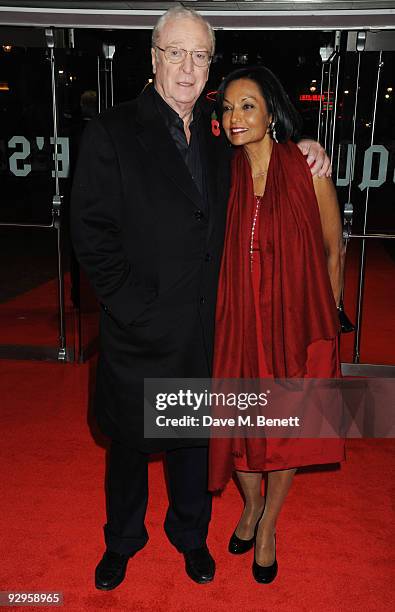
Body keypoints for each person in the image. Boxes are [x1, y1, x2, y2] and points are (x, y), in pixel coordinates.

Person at [71, 6, 331, 590]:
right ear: (154, 57)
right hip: (138, 330)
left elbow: (268, 157)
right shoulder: (112, 131)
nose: (188, 68)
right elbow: (90, 233)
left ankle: (190, 535)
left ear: (209, 66)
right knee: (132, 448)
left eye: (200, 55)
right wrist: (133, 306)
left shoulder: (220, 140)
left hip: (204, 331)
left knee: (192, 444)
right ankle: (123, 540)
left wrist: (308, 147)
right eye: (176, 53)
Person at [208, 66, 345, 584]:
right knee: (239, 424)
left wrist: (325, 326)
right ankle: (250, 503)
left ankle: (267, 523)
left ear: (271, 112)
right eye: (227, 107)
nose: (235, 116)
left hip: (298, 325)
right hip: (240, 322)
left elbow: (334, 250)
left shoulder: (308, 169)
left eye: (248, 105)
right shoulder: (223, 173)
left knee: (287, 429)